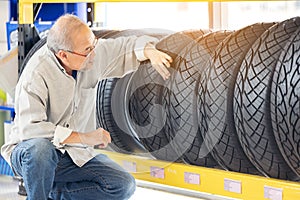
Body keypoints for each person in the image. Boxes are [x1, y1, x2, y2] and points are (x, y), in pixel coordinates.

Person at [1, 14, 172, 200]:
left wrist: (149, 51)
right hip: (29, 155)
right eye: (87, 50)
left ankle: (53, 193)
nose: (94, 54)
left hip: (72, 154)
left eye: (94, 45)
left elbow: (125, 47)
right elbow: (31, 131)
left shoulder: (88, 54)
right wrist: (84, 137)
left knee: (122, 185)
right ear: (63, 55)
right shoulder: (35, 74)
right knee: (41, 150)